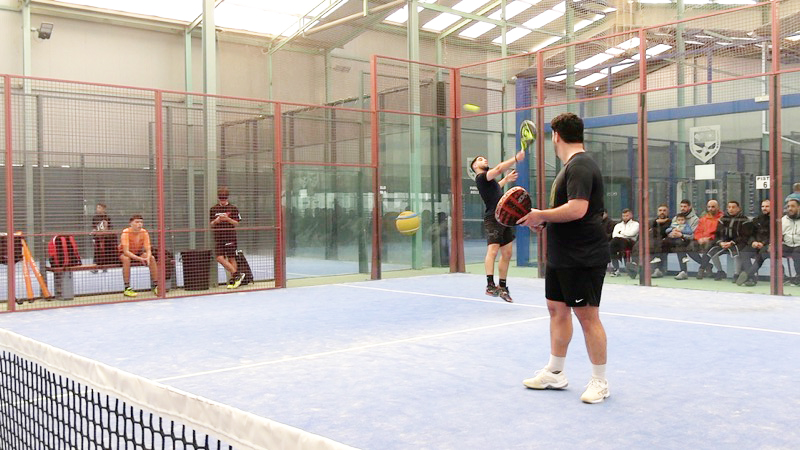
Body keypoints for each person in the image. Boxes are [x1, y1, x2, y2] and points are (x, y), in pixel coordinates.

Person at [517, 113, 610, 404]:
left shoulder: (580, 165)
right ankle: (555, 372)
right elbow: (568, 212)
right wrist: (543, 221)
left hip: (583, 255)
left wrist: (540, 214)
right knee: (556, 310)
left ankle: (600, 381)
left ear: (556, 135)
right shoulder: (570, 167)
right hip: (562, 254)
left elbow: (578, 209)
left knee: (587, 316)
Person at [469, 148, 526, 302]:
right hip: (492, 218)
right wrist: (516, 158)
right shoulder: (481, 177)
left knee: (507, 253)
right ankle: (489, 285)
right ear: (475, 166)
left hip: (504, 217)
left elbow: (495, 189)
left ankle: (502, 287)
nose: (484, 160)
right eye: (480, 159)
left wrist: (505, 180)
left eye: (484, 158)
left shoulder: (488, 181)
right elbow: (499, 168)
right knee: (493, 250)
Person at [700, 200, 748, 281]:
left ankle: (737, 274)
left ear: (738, 208)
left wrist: (732, 242)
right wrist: (721, 242)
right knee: (713, 252)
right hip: (724, 242)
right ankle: (720, 271)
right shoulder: (723, 219)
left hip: (737, 242)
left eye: (733, 207)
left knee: (737, 253)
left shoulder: (744, 219)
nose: (731, 209)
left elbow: (744, 235)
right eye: (729, 207)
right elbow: (717, 234)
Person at [210, 187, 245, 289]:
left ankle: (233, 281)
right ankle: (237, 274)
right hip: (218, 237)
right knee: (219, 258)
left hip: (230, 236)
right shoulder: (213, 209)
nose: (223, 200)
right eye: (221, 198)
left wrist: (228, 219)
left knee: (231, 258)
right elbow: (211, 223)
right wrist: (216, 221)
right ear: (218, 198)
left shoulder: (233, 208)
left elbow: (237, 223)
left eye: (224, 198)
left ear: (227, 198)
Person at [678, 199, 722, 280]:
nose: (710, 209)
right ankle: (707, 266)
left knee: (708, 246)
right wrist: (700, 238)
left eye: (713, 207)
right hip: (702, 240)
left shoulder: (721, 218)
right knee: (689, 247)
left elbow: (720, 233)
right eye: (709, 207)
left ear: (718, 207)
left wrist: (708, 238)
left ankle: (701, 268)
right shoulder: (704, 219)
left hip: (714, 241)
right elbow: (698, 231)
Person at [119, 215, 159, 297]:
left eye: (141, 222)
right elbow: (126, 252)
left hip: (138, 253)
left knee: (151, 258)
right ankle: (127, 288)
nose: (139, 224)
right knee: (126, 259)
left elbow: (148, 249)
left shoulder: (144, 232)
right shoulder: (125, 232)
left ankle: (156, 285)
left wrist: (147, 257)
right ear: (130, 223)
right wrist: (140, 259)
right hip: (124, 254)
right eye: (137, 222)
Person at [737, 199, 771, 286]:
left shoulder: (776, 220)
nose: (764, 208)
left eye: (767, 206)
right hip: (756, 244)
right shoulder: (757, 220)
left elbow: (774, 235)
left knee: (762, 254)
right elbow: (750, 234)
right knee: (744, 252)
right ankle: (751, 277)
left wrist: (763, 243)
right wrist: (753, 242)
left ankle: (749, 275)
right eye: (763, 206)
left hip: (768, 245)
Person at [608, 208, 639, 277]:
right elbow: (614, 235)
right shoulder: (618, 225)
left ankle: (624, 264)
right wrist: (624, 234)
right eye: (623, 216)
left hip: (631, 242)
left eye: (627, 216)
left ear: (631, 215)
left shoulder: (636, 224)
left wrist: (621, 232)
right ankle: (616, 268)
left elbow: (632, 233)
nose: (625, 217)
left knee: (620, 241)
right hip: (618, 241)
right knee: (612, 244)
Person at [645, 204, 671, 278]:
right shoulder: (652, 221)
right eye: (660, 210)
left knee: (657, 243)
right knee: (640, 243)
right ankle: (635, 265)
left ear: (668, 212)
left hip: (664, 242)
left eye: (664, 210)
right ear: (657, 212)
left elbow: (663, 232)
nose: (662, 212)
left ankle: (657, 270)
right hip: (651, 242)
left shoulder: (670, 222)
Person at [90, 203, 116, 271]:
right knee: (97, 251)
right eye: (97, 208)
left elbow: (110, 227)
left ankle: (105, 266)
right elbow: (94, 227)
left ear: (103, 209)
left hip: (105, 238)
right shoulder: (95, 217)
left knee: (105, 251)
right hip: (97, 237)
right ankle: (95, 267)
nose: (97, 209)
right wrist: (94, 233)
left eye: (99, 208)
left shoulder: (107, 217)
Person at [782, 199, 800, 286]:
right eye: (788, 206)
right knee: (769, 251)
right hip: (787, 245)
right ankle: (782, 276)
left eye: (792, 206)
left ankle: (798, 276)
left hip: (799, 245)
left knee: (796, 253)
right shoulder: (783, 220)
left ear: (798, 207)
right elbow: (778, 235)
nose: (789, 208)